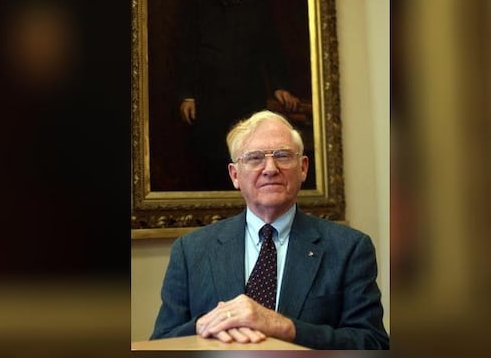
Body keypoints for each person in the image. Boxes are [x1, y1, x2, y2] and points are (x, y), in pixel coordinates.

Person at [150, 110, 389, 350]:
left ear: (303, 168)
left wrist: (285, 327)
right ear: (235, 175)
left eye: (283, 156)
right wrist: (205, 325)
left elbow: (373, 343)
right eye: (254, 158)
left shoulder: (349, 248)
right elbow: (161, 342)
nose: (270, 168)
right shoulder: (191, 250)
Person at [176, 0, 301, 190]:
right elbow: (186, 53)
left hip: (246, 98)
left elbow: (271, 49)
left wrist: (279, 86)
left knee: (248, 159)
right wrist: (187, 95)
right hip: (208, 98)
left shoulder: (257, 5)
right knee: (209, 164)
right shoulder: (200, 3)